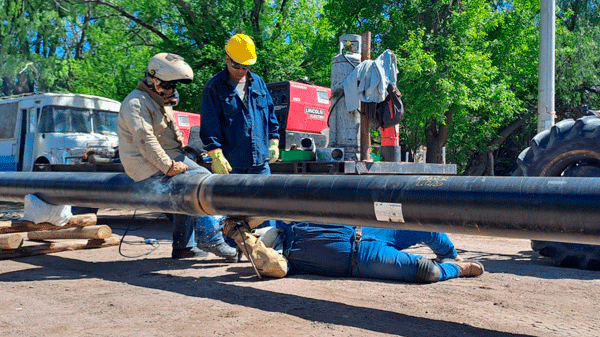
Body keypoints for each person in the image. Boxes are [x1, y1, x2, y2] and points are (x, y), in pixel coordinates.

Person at [117, 52, 237, 261]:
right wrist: (168, 167)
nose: (171, 91)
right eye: (168, 86)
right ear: (153, 80)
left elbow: (168, 136)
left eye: (174, 87)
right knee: (199, 183)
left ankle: (183, 246)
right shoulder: (136, 103)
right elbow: (146, 140)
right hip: (145, 165)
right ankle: (211, 239)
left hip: (166, 158)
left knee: (189, 185)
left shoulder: (157, 101)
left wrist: (186, 151)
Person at [223, 220, 484, 283]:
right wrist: (240, 235)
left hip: (372, 230)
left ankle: (452, 256)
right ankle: (456, 268)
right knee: (426, 271)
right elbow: (270, 264)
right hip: (364, 260)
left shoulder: (288, 220)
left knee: (426, 226)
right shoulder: (287, 261)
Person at [200, 33, 280, 175]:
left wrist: (274, 141)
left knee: (264, 198)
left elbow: (270, 114)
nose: (242, 70)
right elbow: (209, 126)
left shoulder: (259, 83)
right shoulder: (214, 87)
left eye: (246, 66)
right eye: (237, 65)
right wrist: (216, 156)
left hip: (260, 164)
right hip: (231, 166)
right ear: (227, 59)